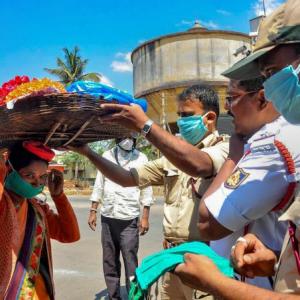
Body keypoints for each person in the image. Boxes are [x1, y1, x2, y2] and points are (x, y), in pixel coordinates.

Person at [175, 0, 300, 297]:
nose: (229, 108)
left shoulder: (275, 144)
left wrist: (214, 282)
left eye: (273, 72)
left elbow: (208, 223)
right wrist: (274, 261)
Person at [70, 84, 229, 300]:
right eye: (179, 115)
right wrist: (88, 153)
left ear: (210, 118)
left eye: (188, 115)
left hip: (205, 259)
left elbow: (199, 165)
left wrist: (144, 125)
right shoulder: (170, 159)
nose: (182, 122)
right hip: (172, 258)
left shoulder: (224, 149)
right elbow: (126, 178)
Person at [0, 141, 80, 300]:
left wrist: (59, 197)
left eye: (43, 177)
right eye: (29, 175)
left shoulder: (37, 208)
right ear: (9, 170)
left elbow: (69, 235)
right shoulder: (3, 202)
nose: (37, 183)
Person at [87, 136, 153, 300]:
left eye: (131, 136)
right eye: (124, 136)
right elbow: (99, 183)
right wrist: (93, 209)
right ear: (117, 137)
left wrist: (145, 216)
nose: (127, 139)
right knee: (109, 262)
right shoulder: (107, 155)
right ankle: (113, 295)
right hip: (108, 217)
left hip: (129, 219)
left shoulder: (141, 158)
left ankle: (133, 296)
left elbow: (146, 188)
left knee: (130, 261)